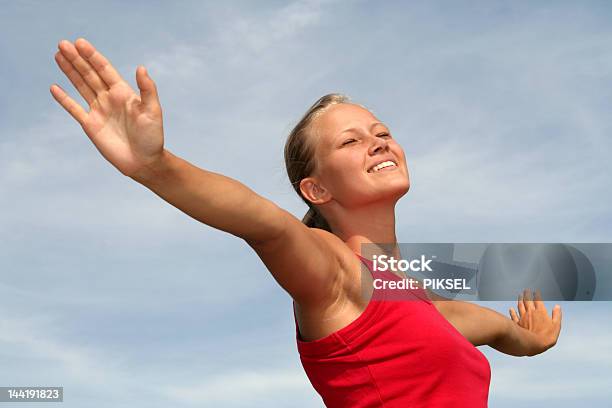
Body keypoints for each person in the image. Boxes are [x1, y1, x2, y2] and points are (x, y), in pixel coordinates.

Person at [50, 38, 562, 407]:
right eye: (351, 141)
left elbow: (496, 329)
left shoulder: (426, 305)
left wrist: (533, 341)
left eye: (380, 131)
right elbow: (263, 223)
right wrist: (156, 168)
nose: (378, 141)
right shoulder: (334, 273)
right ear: (316, 190)